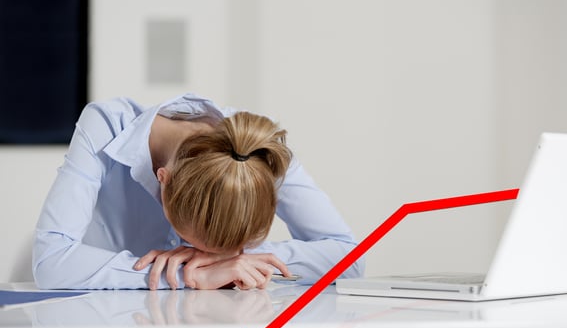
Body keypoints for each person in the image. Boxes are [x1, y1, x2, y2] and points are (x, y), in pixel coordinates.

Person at [33, 93, 364, 290]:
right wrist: (183, 275)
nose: (204, 256)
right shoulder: (106, 124)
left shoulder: (259, 149)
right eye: (200, 247)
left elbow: (350, 259)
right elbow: (51, 262)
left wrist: (238, 260)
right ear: (162, 180)